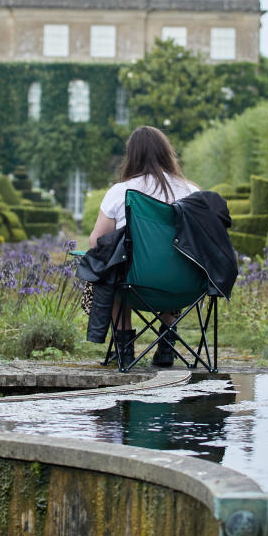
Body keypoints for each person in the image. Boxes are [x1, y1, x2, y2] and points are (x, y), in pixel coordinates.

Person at [84, 126, 200, 367]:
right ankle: (166, 346)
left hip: (134, 284)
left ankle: (124, 349)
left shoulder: (121, 191)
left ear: (132, 156)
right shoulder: (192, 192)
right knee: (177, 259)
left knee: (110, 266)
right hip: (184, 286)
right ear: (167, 153)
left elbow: (96, 241)